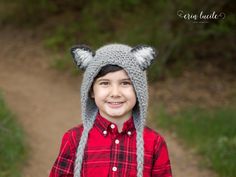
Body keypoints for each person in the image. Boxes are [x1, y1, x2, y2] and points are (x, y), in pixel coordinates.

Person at [49, 43, 172, 177]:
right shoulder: (74, 139)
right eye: (105, 83)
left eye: (125, 83)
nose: (115, 93)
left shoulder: (154, 143)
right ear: (91, 90)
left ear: (139, 91)